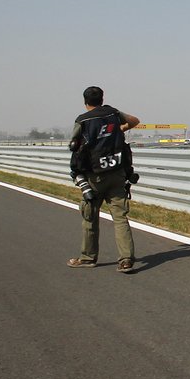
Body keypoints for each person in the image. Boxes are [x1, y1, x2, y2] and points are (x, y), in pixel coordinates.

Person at [66, 86, 140, 273]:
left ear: (85, 101)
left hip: (94, 177)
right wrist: (120, 129)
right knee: (120, 218)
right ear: (102, 99)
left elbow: (74, 145)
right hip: (117, 173)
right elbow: (134, 120)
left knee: (90, 218)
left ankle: (88, 258)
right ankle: (126, 260)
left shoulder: (83, 120)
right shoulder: (113, 113)